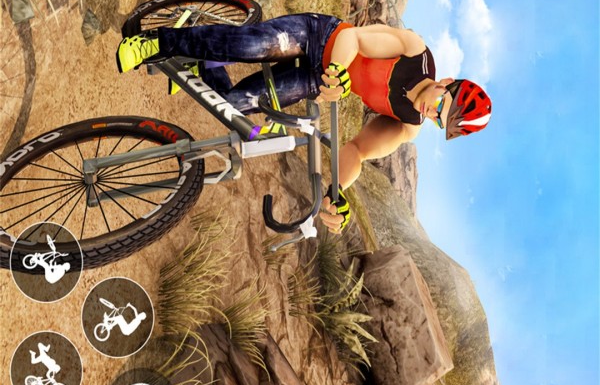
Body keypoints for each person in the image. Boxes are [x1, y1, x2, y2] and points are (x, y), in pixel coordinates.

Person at [116, 15, 492, 234]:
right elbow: (354, 37)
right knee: (251, 47)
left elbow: (357, 151)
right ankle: (156, 40)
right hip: (320, 37)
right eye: (441, 105)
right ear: (446, 83)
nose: (431, 113)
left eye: (439, 121)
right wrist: (338, 71)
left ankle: (202, 60)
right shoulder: (413, 51)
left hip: (317, 81)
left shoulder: (408, 125)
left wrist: (336, 193)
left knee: (233, 106)